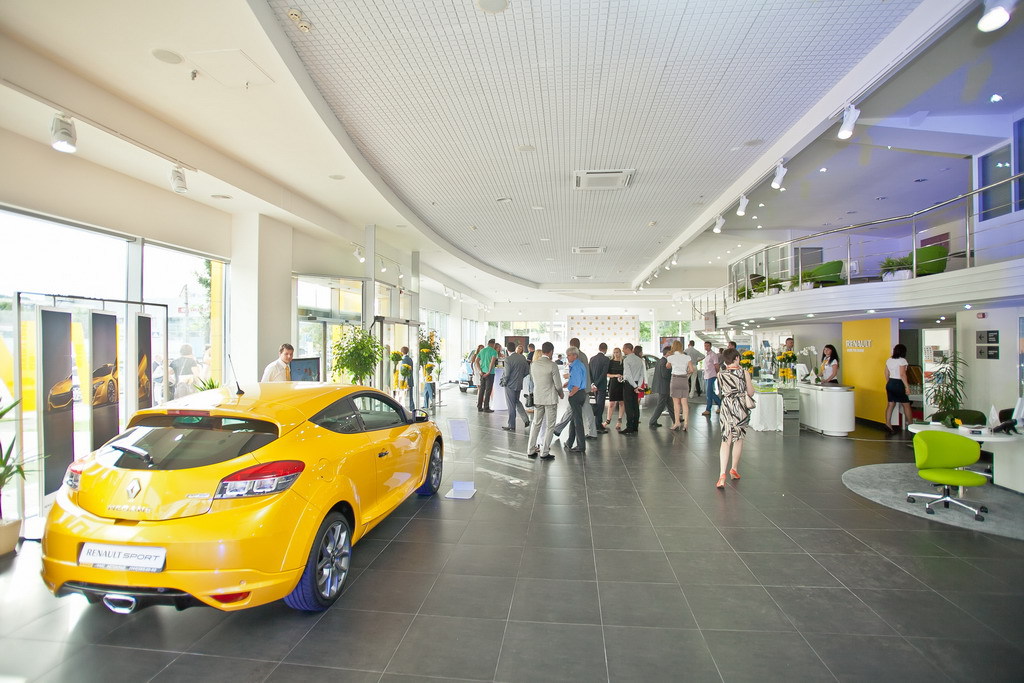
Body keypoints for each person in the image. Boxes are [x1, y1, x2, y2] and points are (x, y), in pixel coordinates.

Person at [716, 347, 755, 489]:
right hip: (740, 407)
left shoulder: (720, 374)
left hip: (726, 406)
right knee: (738, 439)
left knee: (726, 440)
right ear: (737, 358)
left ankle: (722, 474)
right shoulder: (744, 372)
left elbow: (721, 390)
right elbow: (750, 392)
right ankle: (734, 469)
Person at [527, 341, 563, 460]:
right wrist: (561, 394)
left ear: (542, 351)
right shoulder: (552, 365)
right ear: (551, 351)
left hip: (538, 398)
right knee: (550, 426)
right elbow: (558, 385)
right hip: (550, 399)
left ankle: (530, 449)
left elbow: (534, 380)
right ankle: (544, 452)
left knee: (536, 423)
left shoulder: (534, 365)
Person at [667, 340, 696, 431]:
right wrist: (686, 373)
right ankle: (686, 423)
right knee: (684, 403)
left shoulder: (671, 357)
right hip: (684, 380)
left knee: (676, 403)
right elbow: (692, 370)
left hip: (675, 379)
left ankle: (677, 422)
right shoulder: (687, 357)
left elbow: (667, 366)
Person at [884, 343, 913, 434]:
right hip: (898, 383)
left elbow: (886, 372)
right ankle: (911, 425)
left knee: (890, 404)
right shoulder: (902, 360)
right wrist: (907, 387)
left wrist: (889, 382)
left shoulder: (889, 360)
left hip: (890, 382)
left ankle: (888, 423)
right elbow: (902, 374)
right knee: (906, 405)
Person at [501, 341, 530, 431]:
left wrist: (503, 382)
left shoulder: (508, 359)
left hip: (510, 385)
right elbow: (527, 371)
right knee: (517, 401)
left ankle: (511, 425)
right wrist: (520, 377)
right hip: (518, 383)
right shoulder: (522, 357)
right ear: (514, 348)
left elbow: (506, 374)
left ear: (507, 349)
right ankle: (526, 419)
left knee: (511, 405)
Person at [621, 342, 645, 434]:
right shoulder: (639, 360)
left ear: (628, 349)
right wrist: (638, 386)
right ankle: (635, 427)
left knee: (629, 406)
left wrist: (634, 386)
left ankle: (629, 428)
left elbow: (628, 375)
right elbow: (641, 375)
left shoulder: (627, 360)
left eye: (623, 348)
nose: (623, 350)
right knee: (635, 405)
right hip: (637, 384)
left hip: (629, 384)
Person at [648, 345, 675, 428]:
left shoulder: (660, 361)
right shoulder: (664, 362)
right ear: (668, 353)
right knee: (661, 405)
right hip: (664, 386)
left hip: (663, 386)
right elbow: (665, 375)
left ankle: (676, 419)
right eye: (672, 353)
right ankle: (652, 421)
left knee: (670, 404)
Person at [590, 343, 610, 433]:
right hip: (601, 386)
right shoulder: (606, 359)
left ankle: (598, 424)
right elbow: (604, 373)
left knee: (598, 404)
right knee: (600, 406)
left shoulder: (592, 359)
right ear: (605, 349)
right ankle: (598, 426)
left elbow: (590, 372)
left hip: (594, 386)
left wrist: (592, 384)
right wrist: (597, 384)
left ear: (599, 348)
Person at [605, 347, 625, 430]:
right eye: (614, 352)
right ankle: (608, 420)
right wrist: (615, 375)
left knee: (621, 402)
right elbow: (607, 374)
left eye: (617, 352)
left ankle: (619, 421)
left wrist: (622, 376)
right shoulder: (611, 362)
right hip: (613, 383)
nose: (616, 354)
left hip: (622, 383)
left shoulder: (623, 362)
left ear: (620, 353)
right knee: (611, 403)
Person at [476, 339, 498, 412]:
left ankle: (479, 407)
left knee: (482, 390)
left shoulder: (482, 351)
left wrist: (480, 370)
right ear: (493, 344)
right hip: (490, 373)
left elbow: (476, 361)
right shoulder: (494, 351)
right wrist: (489, 371)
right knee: (488, 390)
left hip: (482, 372)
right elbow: (492, 362)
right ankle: (486, 407)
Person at [701, 341, 721, 416]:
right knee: (710, 392)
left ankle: (708, 409)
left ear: (710, 346)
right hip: (707, 375)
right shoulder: (707, 355)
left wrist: (717, 373)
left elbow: (716, 365)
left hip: (711, 375)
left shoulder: (713, 355)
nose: (706, 347)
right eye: (705, 346)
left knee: (709, 393)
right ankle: (721, 405)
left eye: (708, 346)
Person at [400, 346, 415, 411]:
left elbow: (404, 371)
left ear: (402, 352)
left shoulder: (404, 360)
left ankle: (409, 410)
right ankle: (412, 409)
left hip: (406, 381)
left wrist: (403, 382)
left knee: (407, 397)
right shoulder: (410, 359)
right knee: (410, 397)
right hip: (410, 380)